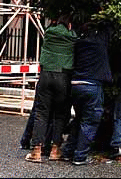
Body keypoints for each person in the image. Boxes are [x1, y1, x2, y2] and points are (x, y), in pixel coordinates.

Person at [25, 14, 77, 163]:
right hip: (63, 77)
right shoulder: (72, 37)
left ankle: (36, 150)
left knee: (41, 113)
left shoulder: (49, 33)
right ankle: (55, 150)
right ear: (69, 25)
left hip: (46, 75)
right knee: (60, 114)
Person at [61, 21, 114, 165]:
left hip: (76, 85)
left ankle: (67, 152)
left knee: (79, 119)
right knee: (89, 121)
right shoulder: (99, 42)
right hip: (92, 85)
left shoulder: (79, 44)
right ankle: (80, 156)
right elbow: (109, 29)